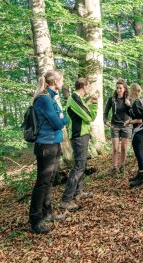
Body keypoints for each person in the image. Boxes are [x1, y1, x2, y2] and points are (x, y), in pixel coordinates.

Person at [29, 70, 68, 234]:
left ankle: (48, 212)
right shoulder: (44, 99)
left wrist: (61, 116)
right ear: (55, 82)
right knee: (42, 182)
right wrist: (61, 116)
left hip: (53, 143)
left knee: (49, 180)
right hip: (46, 145)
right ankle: (35, 221)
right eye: (62, 80)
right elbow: (59, 123)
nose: (63, 83)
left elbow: (62, 119)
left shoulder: (51, 98)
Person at [60, 78, 98, 211]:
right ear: (83, 86)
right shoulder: (75, 98)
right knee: (78, 167)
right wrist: (91, 108)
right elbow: (88, 118)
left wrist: (94, 104)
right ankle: (66, 200)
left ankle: (78, 192)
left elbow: (91, 117)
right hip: (78, 136)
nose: (89, 88)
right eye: (88, 86)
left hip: (83, 135)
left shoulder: (80, 99)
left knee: (82, 165)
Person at [104, 78, 132, 177]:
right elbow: (105, 112)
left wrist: (129, 105)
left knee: (124, 148)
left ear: (124, 89)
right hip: (115, 126)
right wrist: (105, 121)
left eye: (120, 88)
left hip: (126, 126)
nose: (118, 90)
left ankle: (122, 166)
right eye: (117, 88)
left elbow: (133, 112)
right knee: (115, 148)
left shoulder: (128, 99)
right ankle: (114, 167)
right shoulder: (112, 99)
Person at [124, 83, 143, 187]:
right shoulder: (142, 100)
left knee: (139, 152)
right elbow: (135, 114)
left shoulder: (136, 103)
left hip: (139, 130)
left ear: (132, 91)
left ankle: (141, 177)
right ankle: (139, 174)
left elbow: (140, 119)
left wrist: (128, 122)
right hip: (142, 129)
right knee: (139, 151)